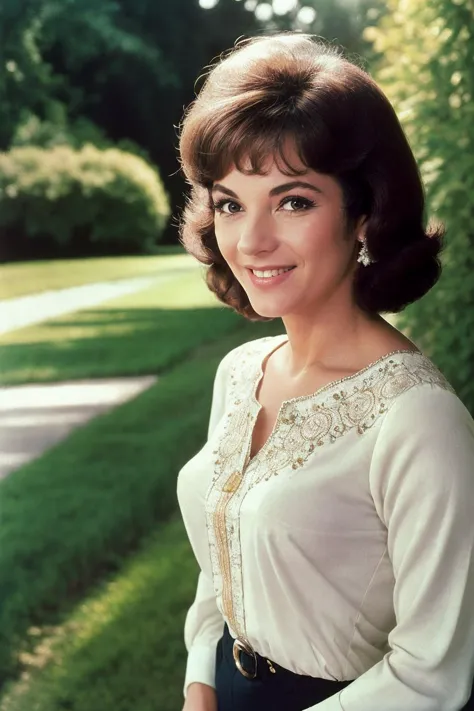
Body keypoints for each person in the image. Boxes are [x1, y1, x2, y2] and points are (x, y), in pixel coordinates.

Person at [176, 32, 474, 711]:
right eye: (230, 202)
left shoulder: (420, 421)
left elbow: (435, 672)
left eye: (293, 201)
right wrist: (200, 680)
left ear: (364, 214)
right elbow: (226, 550)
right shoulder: (240, 371)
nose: (251, 241)